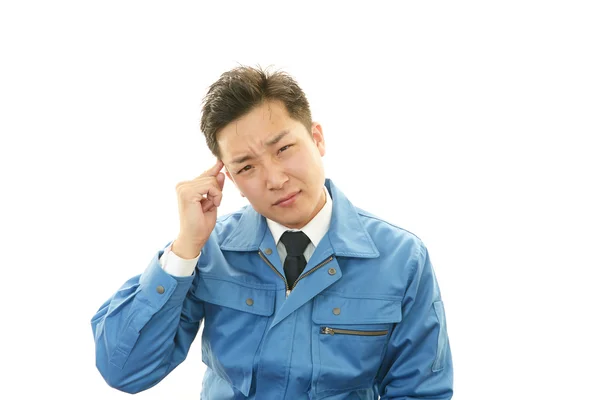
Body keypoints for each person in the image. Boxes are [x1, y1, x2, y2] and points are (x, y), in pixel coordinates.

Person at [91, 65, 453, 399]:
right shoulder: (211, 251)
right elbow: (124, 370)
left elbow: (420, 391)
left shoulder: (402, 258)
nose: (275, 180)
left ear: (317, 138)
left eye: (283, 149)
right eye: (247, 167)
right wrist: (185, 249)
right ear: (229, 179)